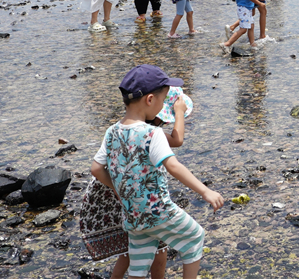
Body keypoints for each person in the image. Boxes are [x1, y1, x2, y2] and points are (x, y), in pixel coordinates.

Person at [91, 65, 224, 279]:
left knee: (139, 264)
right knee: (195, 237)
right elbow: (173, 166)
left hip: (132, 215)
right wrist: (205, 191)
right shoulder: (152, 133)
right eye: (163, 101)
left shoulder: (111, 131)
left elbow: (96, 169)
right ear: (150, 100)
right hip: (158, 211)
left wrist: (119, 188)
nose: (163, 107)